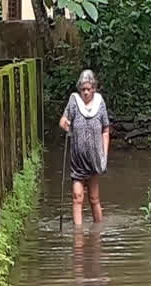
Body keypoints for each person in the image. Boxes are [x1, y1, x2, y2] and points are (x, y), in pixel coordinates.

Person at [59, 70, 110, 225]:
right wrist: (65, 125)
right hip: (78, 159)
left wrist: (104, 155)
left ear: (94, 88)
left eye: (89, 89)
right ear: (79, 89)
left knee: (94, 198)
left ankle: (98, 230)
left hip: (94, 159)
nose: (86, 92)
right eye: (83, 89)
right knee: (77, 196)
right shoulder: (74, 101)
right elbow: (63, 120)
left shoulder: (100, 103)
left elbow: (106, 129)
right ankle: (78, 235)